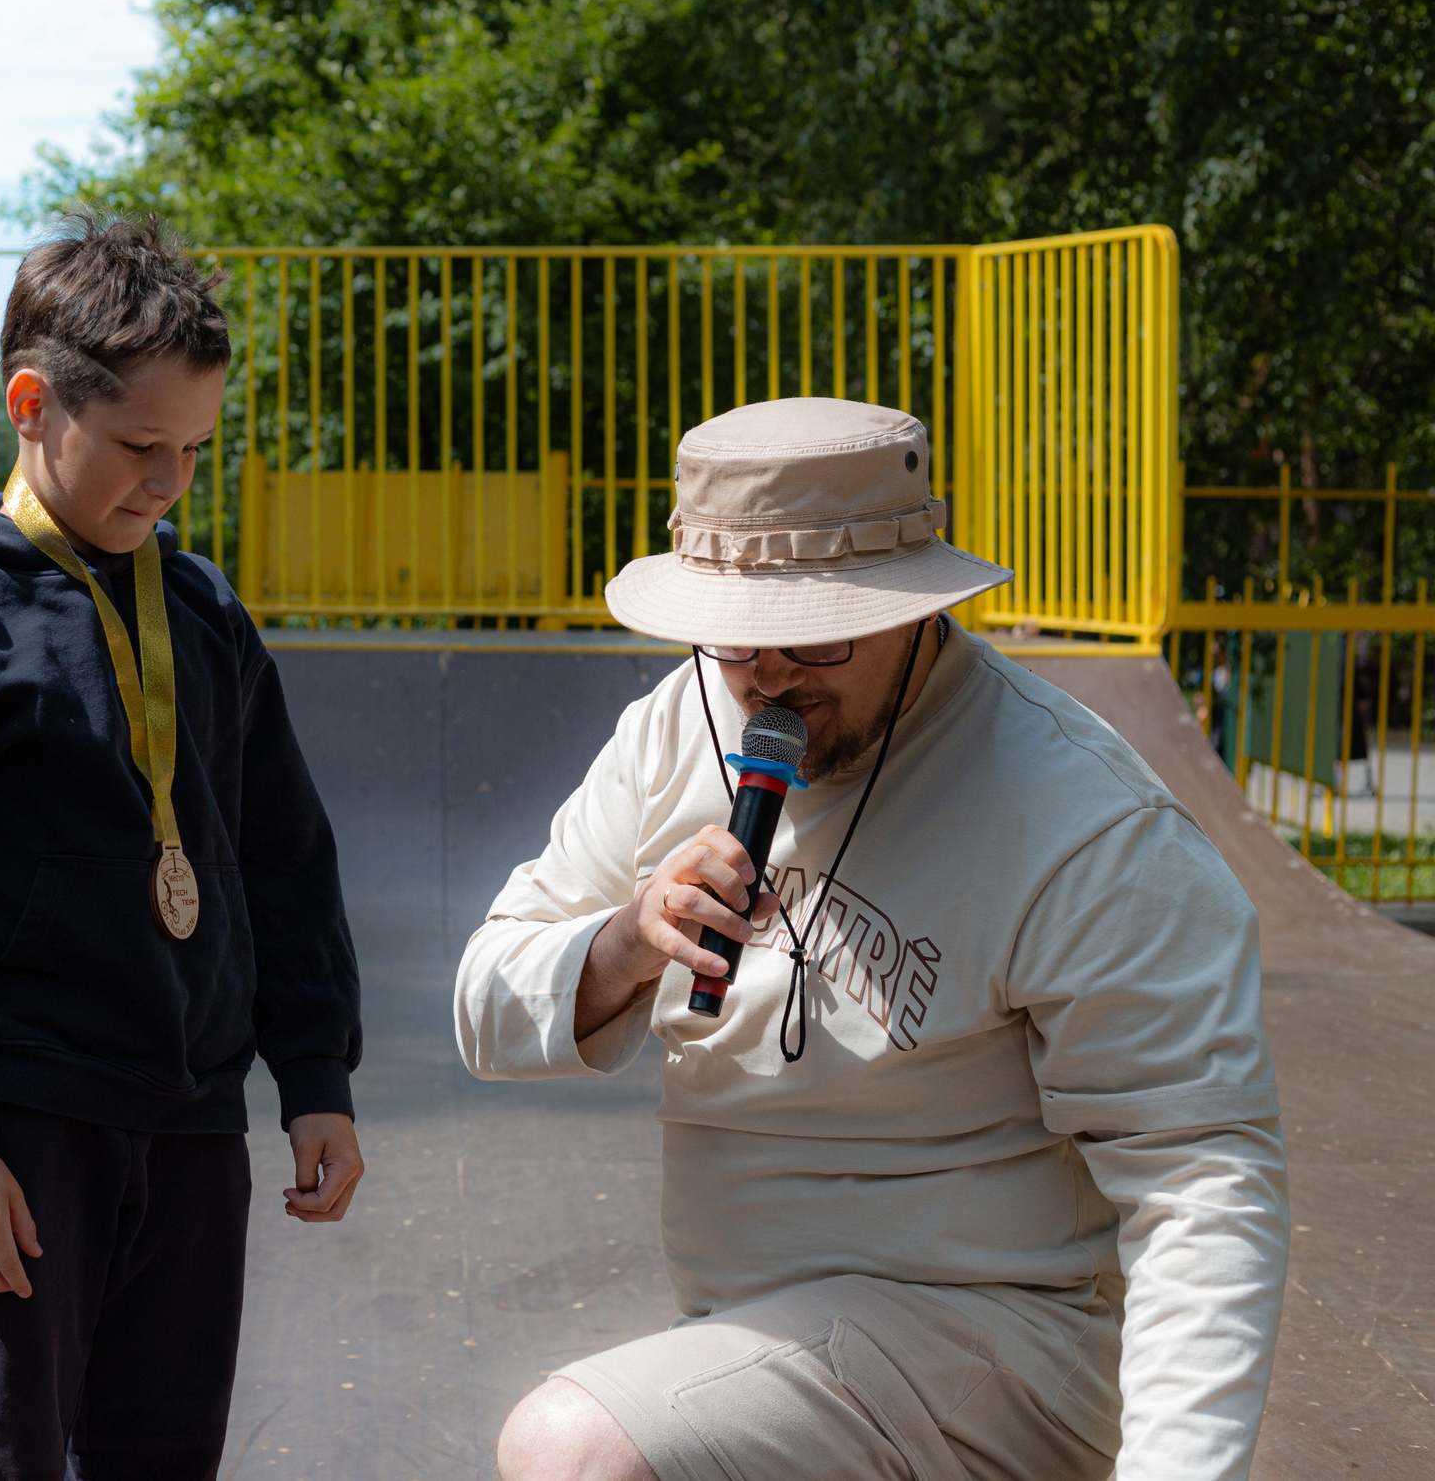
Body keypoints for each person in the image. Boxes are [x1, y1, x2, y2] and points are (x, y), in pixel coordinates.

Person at [458, 399, 1287, 1481]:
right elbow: (483, 1001)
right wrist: (626, 941)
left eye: (815, 632)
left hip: (1001, 1349)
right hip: (761, 1343)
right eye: (733, 634)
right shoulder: (681, 722)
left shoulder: (1078, 823)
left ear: (913, 607)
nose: (767, 677)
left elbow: (1201, 1181)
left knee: (574, 1450)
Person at [0, 211, 366, 1478]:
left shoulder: (204, 612)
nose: (168, 483)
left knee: (164, 1449)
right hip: (20, 1125)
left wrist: (315, 1073)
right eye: (137, 447)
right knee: (2, 1449)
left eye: (192, 451)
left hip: (187, 1122)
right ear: (30, 403)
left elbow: (280, 851)